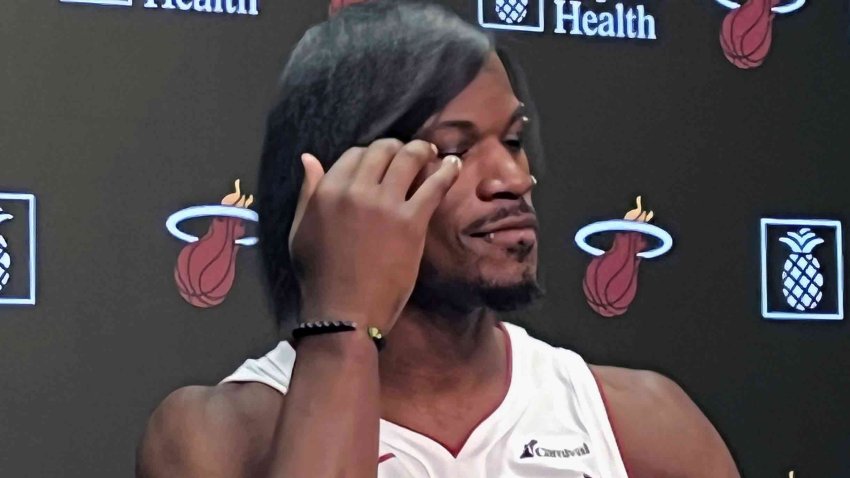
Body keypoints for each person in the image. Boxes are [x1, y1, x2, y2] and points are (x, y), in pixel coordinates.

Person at [136, 1, 740, 476]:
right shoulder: (213, 438)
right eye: (454, 149)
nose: (514, 179)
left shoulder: (645, 425)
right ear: (341, 178)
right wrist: (342, 325)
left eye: (511, 140)